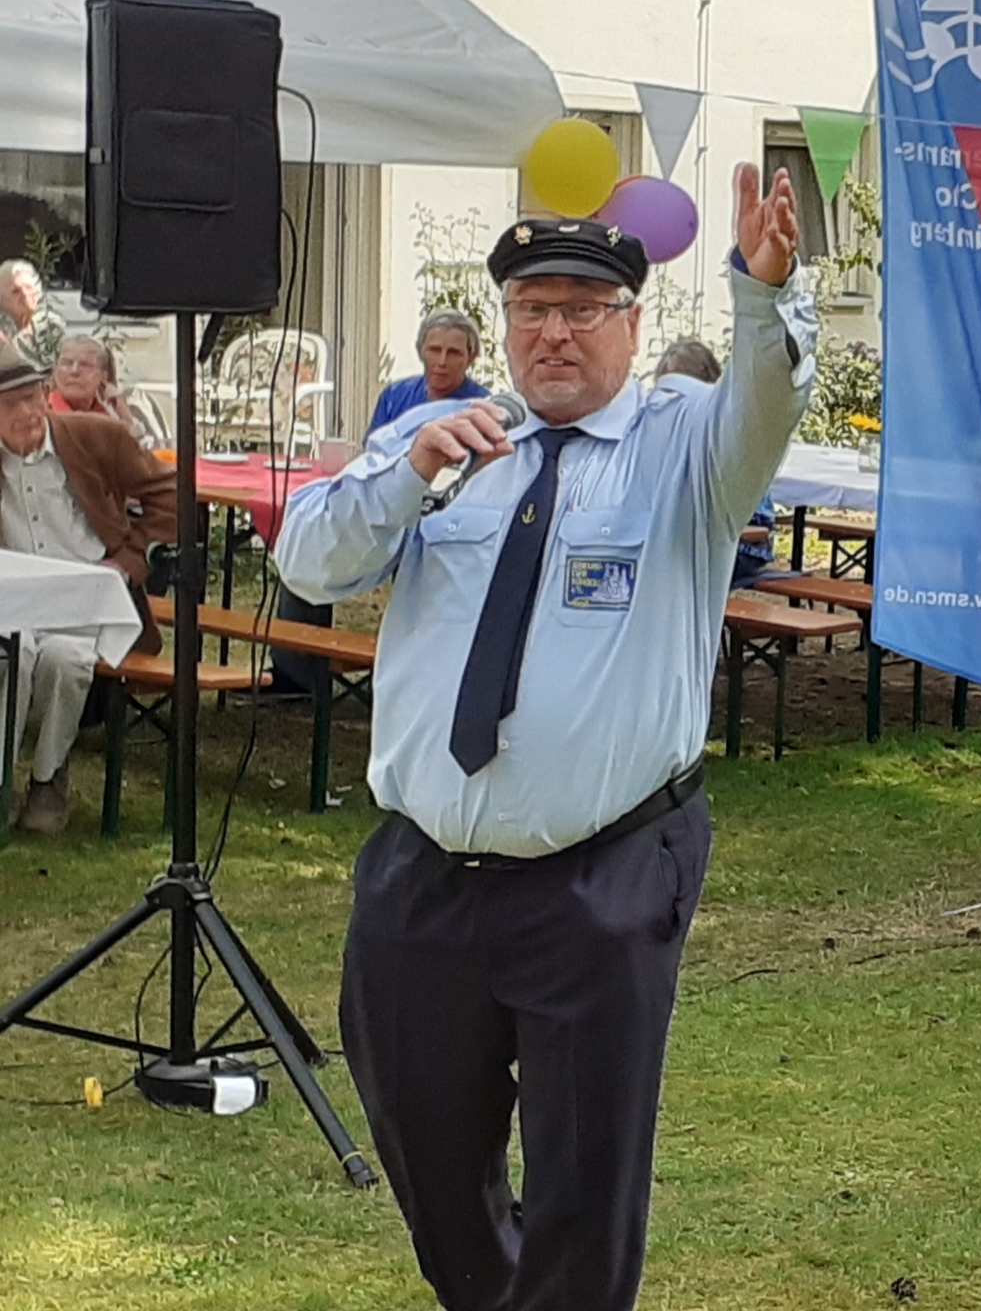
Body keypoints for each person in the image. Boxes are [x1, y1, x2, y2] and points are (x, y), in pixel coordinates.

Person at [274, 164, 812, 1311]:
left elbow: (765, 406)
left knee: (583, 1176)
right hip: (425, 868)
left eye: (582, 309)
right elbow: (307, 560)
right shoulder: (445, 432)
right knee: (424, 1140)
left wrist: (762, 296)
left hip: (602, 871)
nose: (553, 333)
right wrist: (411, 476)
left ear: (632, 322)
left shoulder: (684, 447)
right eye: (531, 309)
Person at [0, 343, 174, 832]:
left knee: (65, 662)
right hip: (13, 603)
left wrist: (133, 557)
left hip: (86, 599)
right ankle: (0, 780)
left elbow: (173, 495)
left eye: (35, 397)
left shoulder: (96, 436)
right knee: (15, 656)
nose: (30, 413)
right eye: (12, 405)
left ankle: (47, 779)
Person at [654, 338, 779, 587]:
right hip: (697, 541)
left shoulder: (725, 427)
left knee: (664, 565)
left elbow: (754, 524)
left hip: (745, 547)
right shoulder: (659, 425)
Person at [366, 309, 492, 436]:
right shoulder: (394, 396)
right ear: (420, 350)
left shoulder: (484, 407)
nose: (442, 361)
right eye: (434, 350)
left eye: (453, 353)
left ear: (471, 357)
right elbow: (373, 452)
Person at [48, 335, 165, 450]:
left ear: (103, 377)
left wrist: (124, 413)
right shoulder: (44, 413)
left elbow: (147, 455)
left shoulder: (108, 413)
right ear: (55, 370)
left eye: (85, 365)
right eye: (66, 363)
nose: (74, 371)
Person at [0, 259, 65, 369]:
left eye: (29, 287)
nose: (25, 294)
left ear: (38, 291)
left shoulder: (51, 323)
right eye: (15, 291)